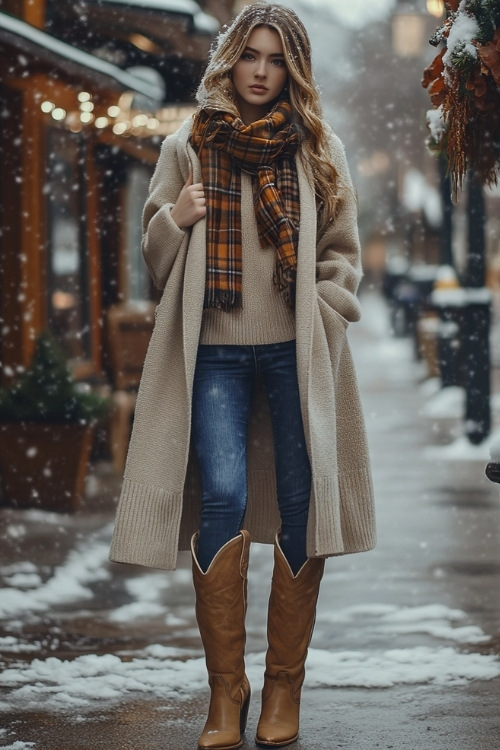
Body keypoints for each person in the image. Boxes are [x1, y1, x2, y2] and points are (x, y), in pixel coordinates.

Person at [110, 3, 375, 748]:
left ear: (293, 69)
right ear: (230, 60)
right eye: (250, 56)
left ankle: (284, 688)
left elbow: (343, 250)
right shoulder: (188, 145)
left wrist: (324, 308)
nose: (261, 72)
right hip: (216, 350)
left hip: (295, 349)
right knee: (222, 500)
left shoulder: (318, 146)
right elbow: (155, 262)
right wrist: (178, 219)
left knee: (299, 501)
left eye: (275, 59)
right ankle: (226, 693)